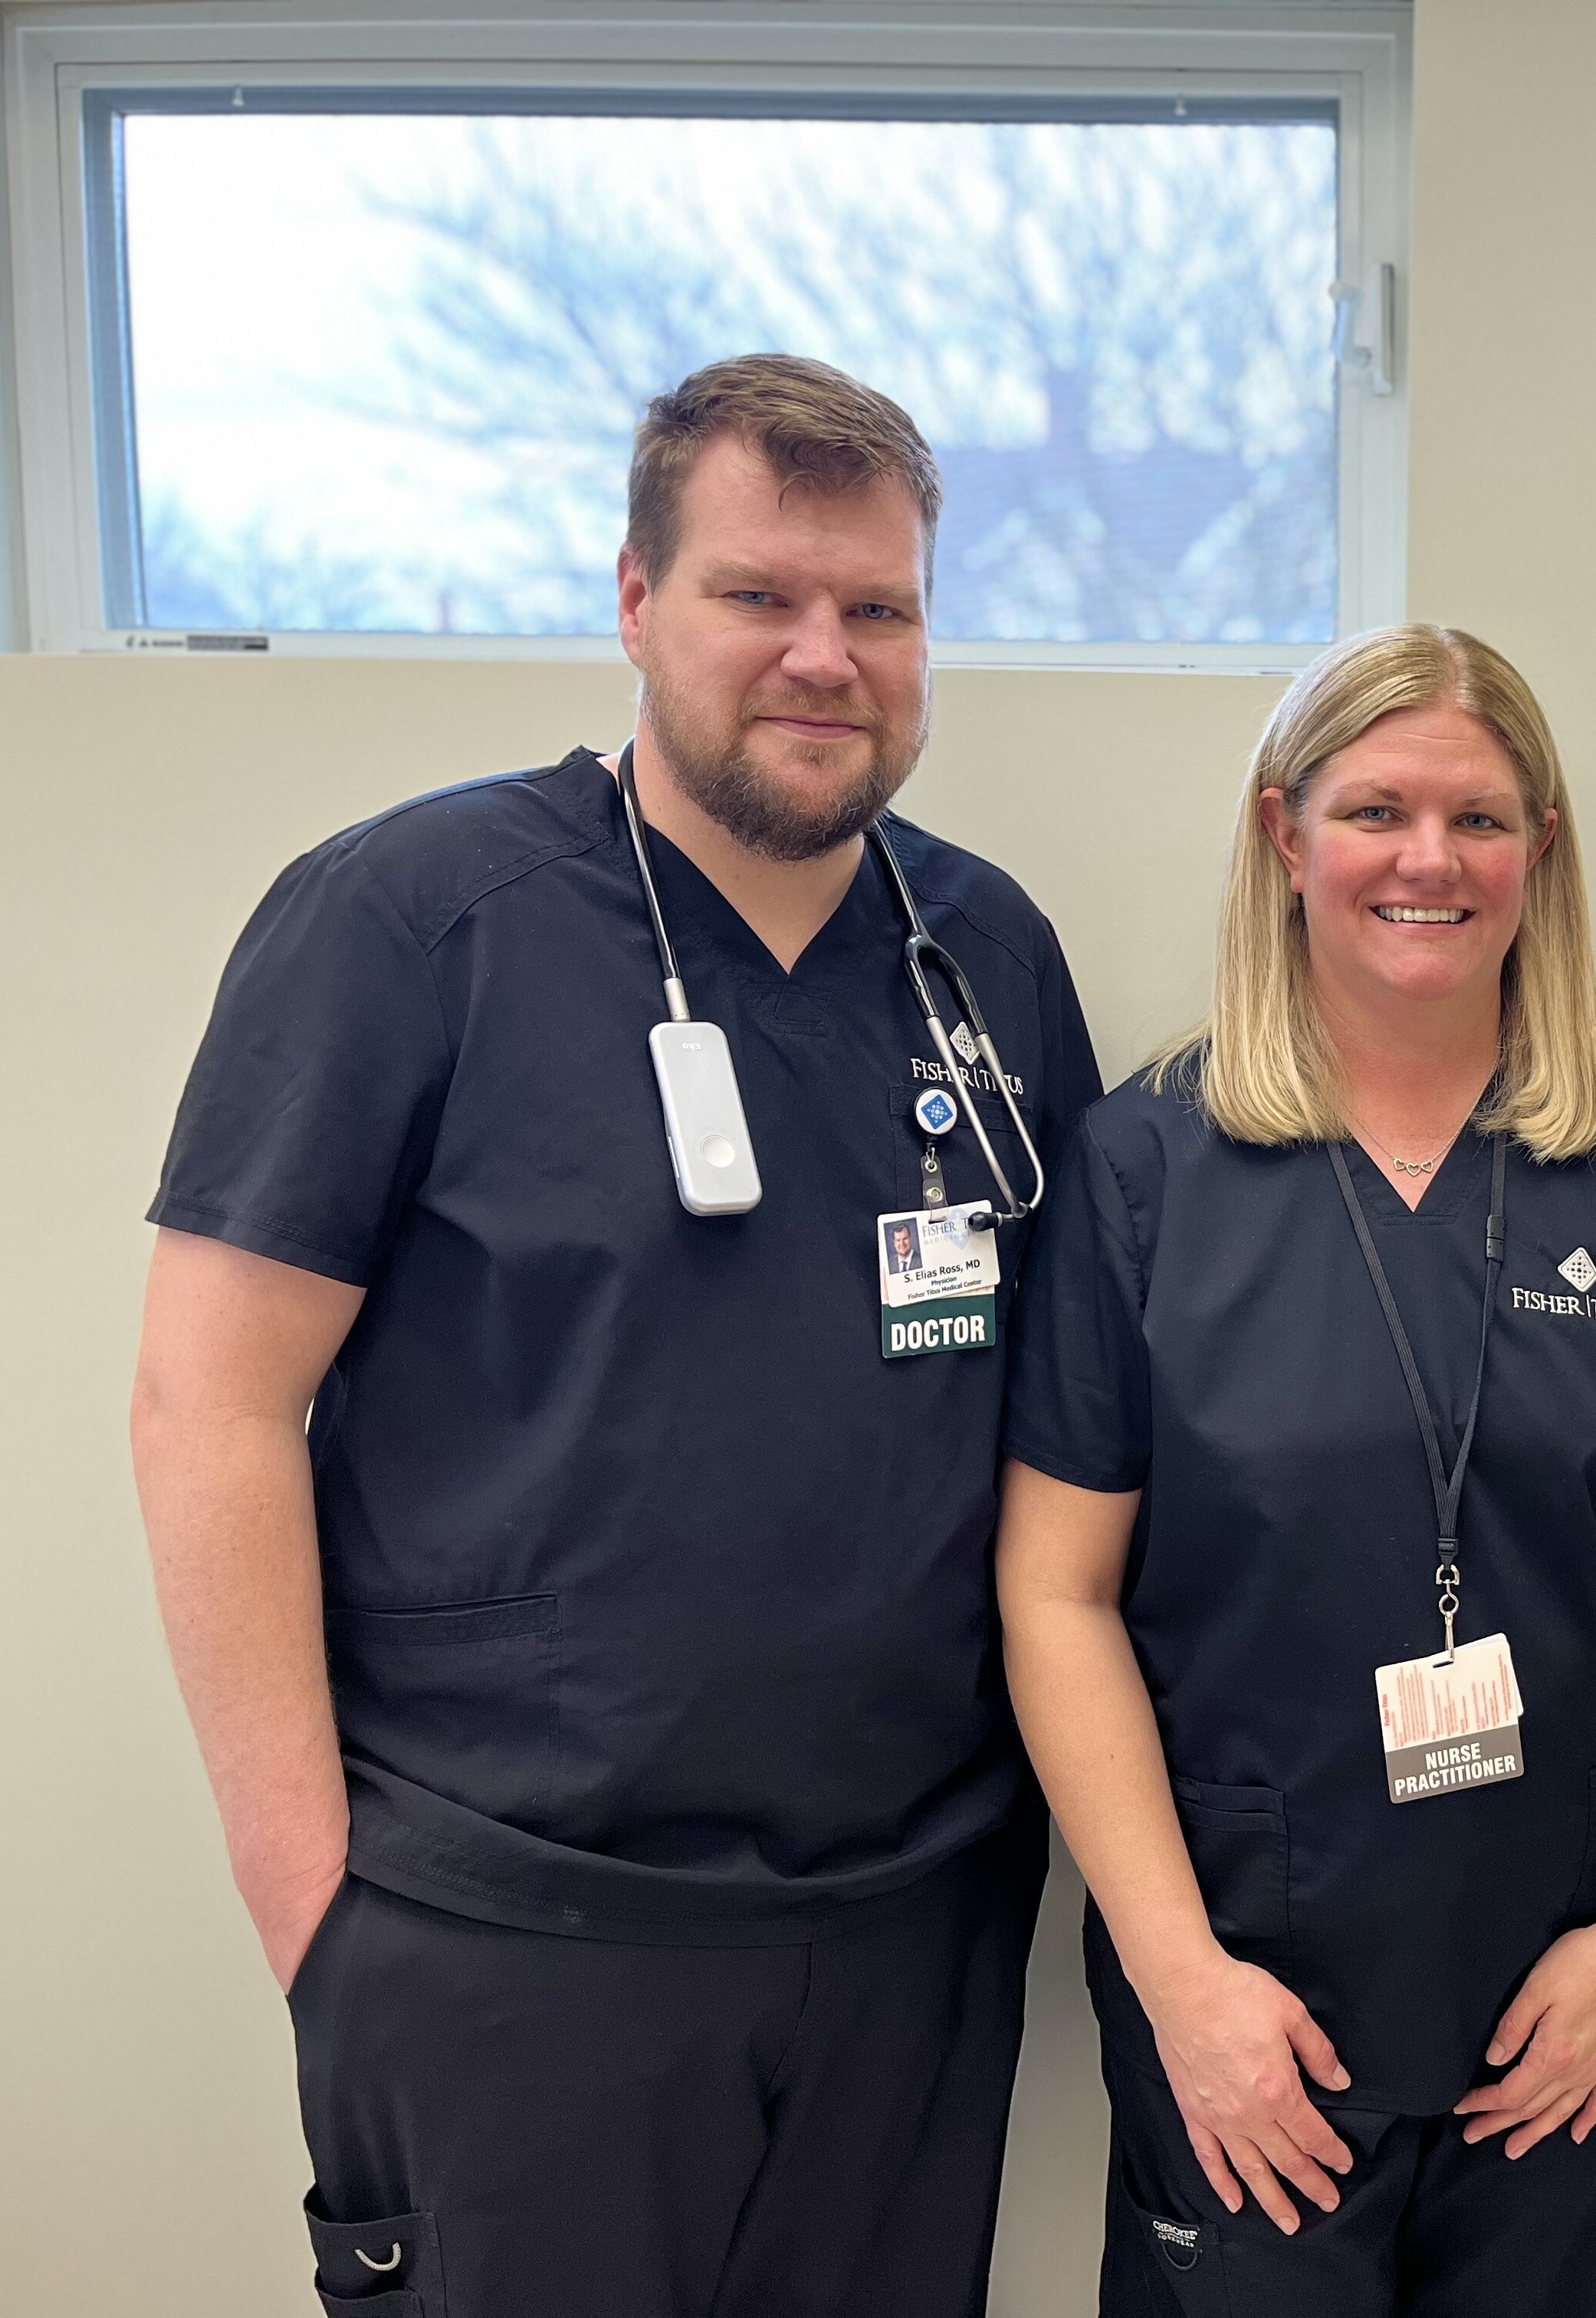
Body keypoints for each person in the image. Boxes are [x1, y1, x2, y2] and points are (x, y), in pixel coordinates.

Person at [127, 353, 1098, 2318]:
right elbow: (204, 1402)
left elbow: (1063, 1421)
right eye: (760, 594)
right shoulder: (413, 922)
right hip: (515, 1936)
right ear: (639, 601)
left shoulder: (981, 954)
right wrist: (318, 1912)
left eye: (879, 608)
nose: (825, 654)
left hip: (909, 1926)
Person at [997, 625, 1596, 2318]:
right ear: (1286, 838)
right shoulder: (1145, 1166)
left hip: (1554, 1980)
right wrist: (1178, 1978)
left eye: (1483, 820)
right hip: (1245, 1988)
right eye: (1376, 812)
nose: (1431, 862)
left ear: (1541, 850)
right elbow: (1052, 1593)